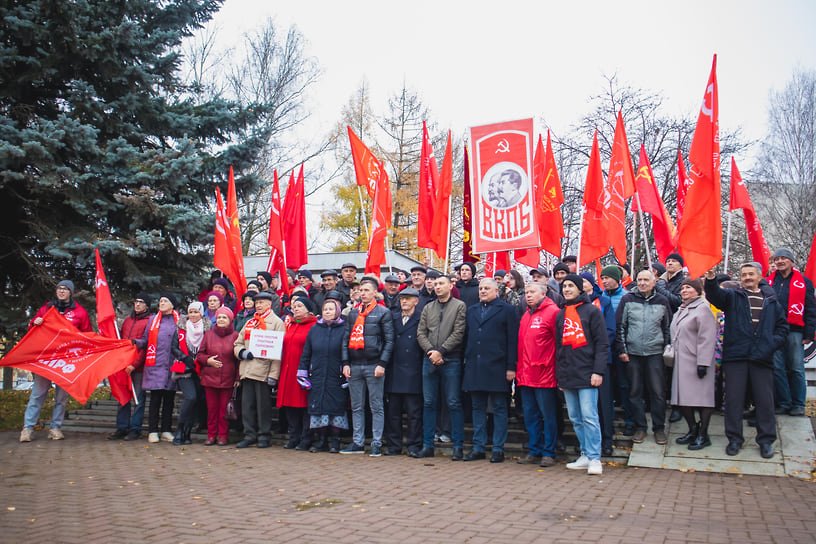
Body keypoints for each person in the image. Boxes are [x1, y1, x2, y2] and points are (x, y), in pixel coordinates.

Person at [705, 263, 788, 458]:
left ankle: (766, 441)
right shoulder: (733, 297)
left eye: (751, 274)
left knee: (765, 402)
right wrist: (710, 279)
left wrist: (769, 344)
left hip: (762, 358)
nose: (747, 277)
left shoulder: (772, 300)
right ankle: (734, 440)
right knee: (734, 401)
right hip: (736, 357)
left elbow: (782, 328)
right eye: (744, 275)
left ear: (759, 277)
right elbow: (715, 296)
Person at [20, 280, 92, 442]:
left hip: (66, 361)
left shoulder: (80, 312)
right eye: (59, 288)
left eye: (65, 289)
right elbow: (32, 328)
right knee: (38, 394)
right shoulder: (46, 309)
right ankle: (27, 428)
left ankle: (55, 428)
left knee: (61, 397)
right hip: (46, 360)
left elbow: (87, 335)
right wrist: (34, 323)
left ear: (70, 292)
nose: (61, 291)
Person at [555, 274, 608, 475]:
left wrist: (598, 371)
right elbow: (559, 347)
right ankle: (585, 454)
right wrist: (560, 375)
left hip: (588, 373)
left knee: (589, 416)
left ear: (580, 289)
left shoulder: (593, 312)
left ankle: (595, 458)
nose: (567, 289)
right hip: (568, 374)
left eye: (571, 286)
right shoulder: (561, 315)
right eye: (564, 286)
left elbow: (602, 344)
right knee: (575, 417)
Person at [462, 279, 518, 463]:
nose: (483, 291)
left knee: (499, 408)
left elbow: (512, 340)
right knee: (477, 407)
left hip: (498, 366)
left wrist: (511, 367)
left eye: (487, 288)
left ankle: (498, 448)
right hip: (475, 366)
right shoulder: (472, 310)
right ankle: (478, 447)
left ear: (496, 290)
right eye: (481, 288)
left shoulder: (507, 310)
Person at [616, 269, 672, 445]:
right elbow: (620, 327)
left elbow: (668, 327)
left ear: (654, 282)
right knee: (635, 392)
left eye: (646, 280)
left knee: (657, 392)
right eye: (639, 279)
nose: (642, 283)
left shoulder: (662, 301)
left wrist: (666, 349)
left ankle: (659, 428)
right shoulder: (627, 299)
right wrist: (623, 350)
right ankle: (640, 427)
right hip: (633, 354)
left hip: (655, 353)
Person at [340, 277, 395, 456]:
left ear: (374, 293)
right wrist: (345, 363)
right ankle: (357, 442)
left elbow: (389, 341)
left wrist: (382, 363)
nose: (362, 293)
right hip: (355, 365)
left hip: (374, 365)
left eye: (366, 291)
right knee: (357, 406)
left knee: (376, 405)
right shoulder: (353, 314)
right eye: (360, 290)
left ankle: (376, 443)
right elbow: (346, 340)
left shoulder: (383, 313)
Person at [416, 274, 468, 460]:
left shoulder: (459, 306)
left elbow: (459, 332)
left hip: (451, 359)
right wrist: (431, 351)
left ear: (450, 285)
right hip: (429, 359)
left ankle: (458, 446)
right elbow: (421, 332)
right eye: (435, 284)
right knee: (429, 403)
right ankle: (427, 445)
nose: (437, 287)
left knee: (453, 402)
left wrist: (441, 351)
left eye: (441, 284)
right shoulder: (428, 307)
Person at [670, 278, 719, 450]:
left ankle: (703, 434)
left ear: (697, 291)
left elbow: (707, 337)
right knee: (683, 399)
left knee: (702, 399)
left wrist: (703, 363)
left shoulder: (702, 309)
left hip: (697, 360)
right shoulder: (680, 310)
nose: (684, 290)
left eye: (688, 287)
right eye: (682, 288)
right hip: (681, 361)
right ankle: (693, 429)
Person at [233, 291, 285, 449]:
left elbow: (278, 352)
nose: (258, 305)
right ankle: (249, 434)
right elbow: (238, 343)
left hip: (263, 372)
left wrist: (273, 375)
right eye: (257, 303)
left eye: (261, 303)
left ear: (269, 304)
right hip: (247, 370)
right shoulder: (250, 322)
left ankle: (264, 435)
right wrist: (242, 352)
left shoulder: (276, 323)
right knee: (247, 406)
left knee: (263, 407)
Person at [767, 248, 816, 416]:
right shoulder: (768, 282)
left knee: (796, 368)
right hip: (774, 331)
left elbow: (810, 309)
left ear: (791, 261)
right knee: (778, 367)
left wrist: (809, 334)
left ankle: (798, 404)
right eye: (777, 259)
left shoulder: (804, 282)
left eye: (783, 258)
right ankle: (784, 402)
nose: (779, 261)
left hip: (795, 331)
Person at [516, 282, 560, 467]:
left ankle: (549, 452)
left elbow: (559, 344)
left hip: (544, 375)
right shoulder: (526, 315)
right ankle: (534, 450)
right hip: (526, 375)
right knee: (530, 415)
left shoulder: (553, 312)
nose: (529, 295)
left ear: (544, 293)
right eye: (527, 292)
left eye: (533, 292)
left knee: (547, 416)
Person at [298, 298, 349, 453]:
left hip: (336, 375)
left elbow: (348, 352)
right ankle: (321, 441)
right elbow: (306, 353)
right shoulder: (314, 329)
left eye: (331, 309)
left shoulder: (344, 328)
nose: (327, 312)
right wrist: (303, 373)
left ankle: (335, 441)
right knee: (319, 408)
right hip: (318, 374)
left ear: (337, 311)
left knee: (336, 407)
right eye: (325, 309)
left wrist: (347, 373)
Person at [134, 293, 182, 444]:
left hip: (172, 365)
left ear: (172, 305)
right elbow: (146, 339)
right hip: (156, 365)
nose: (161, 303)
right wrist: (134, 343)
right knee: (155, 399)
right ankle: (153, 430)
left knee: (169, 399)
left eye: (165, 301)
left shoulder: (180, 320)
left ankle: (166, 430)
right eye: (160, 301)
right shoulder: (153, 320)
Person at [384, 288, 424, 456]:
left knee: (414, 413)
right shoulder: (392, 317)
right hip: (394, 370)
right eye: (402, 299)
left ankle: (414, 445)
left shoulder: (421, 318)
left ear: (416, 301)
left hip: (413, 370)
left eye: (408, 299)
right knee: (393, 413)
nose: (404, 302)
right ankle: (394, 445)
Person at [107, 293, 152, 441]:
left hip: (137, 368)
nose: (137, 304)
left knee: (138, 398)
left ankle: (135, 428)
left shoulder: (149, 322)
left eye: (141, 302)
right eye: (136, 302)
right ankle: (122, 427)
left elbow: (145, 346)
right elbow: (121, 341)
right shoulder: (127, 321)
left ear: (147, 305)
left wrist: (134, 364)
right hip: (123, 365)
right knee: (123, 397)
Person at [581, 273, 617, 457]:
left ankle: (607, 441)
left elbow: (610, 330)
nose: (583, 284)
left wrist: (594, 349)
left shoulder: (603, 301)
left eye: (585, 281)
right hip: (580, 362)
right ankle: (587, 445)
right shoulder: (573, 305)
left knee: (603, 403)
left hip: (601, 359)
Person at [278, 297, 318, 450]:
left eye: (300, 306)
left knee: (304, 406)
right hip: (288, 371)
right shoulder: (291, 325)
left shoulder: (313, 326)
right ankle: (294, 436)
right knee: (289, 405)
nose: (295, 309)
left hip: (303, 372)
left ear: (308, 309)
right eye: (294, 306)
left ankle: (306, 438)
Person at [196, 306, 239, 445]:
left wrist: (238, 377)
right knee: (212, 410)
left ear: (230, 320)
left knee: (223, 411)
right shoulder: (208, 334)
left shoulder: (235, 336)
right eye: (219, 317)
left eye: (224, 317)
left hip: (228, 379)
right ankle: (211, 435)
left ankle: (223, 436)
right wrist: (207, 360)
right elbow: (200, 355)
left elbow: (238, 360)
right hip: (210, 378)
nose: (221, 319)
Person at [169, 301, 211, 445]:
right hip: (184, 369)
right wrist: (185, 358)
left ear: (201, 313)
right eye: (191, 312)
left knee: (197, 400)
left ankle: (187, 433)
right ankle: (179, 431)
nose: (193, 315)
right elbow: (173, 347)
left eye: (196, 312)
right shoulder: (180, 328)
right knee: (190, 397)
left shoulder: (208, 329)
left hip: (200, 369)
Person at [600, 264, 634, 436]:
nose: (604, 281)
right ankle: (608, 419)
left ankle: (629, 420)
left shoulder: (627, 296)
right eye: (603, 278)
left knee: (624, 384)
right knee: (608, 387)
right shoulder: (599, 298)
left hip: (621, 346)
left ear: (616, 279)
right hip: (605, 347)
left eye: (607, 278)